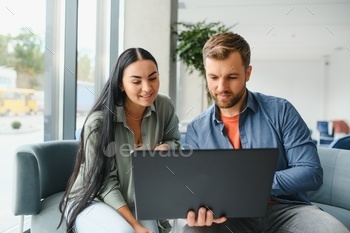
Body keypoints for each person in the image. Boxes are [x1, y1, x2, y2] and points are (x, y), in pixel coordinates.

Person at [182, 32, 350, 233]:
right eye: (213, 77)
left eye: (232, 77)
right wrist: (199, 209)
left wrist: (254, 184)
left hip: (287, 210)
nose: (221, 87)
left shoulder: (281, 111)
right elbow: (197, 187)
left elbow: (310, 172)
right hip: (230, 217)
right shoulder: (196, 130)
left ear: (248, 73)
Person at [58, 47, 181, 233]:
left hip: (135, 198)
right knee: (125, 232)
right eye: (136, 81)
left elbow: (175, 142)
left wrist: (166, 147)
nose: (147, 88)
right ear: (121, 84)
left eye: (153, 78)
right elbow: (106, 184)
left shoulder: (164, 106)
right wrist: (136, 225)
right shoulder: (98, 123)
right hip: (91, 198)